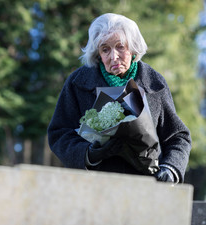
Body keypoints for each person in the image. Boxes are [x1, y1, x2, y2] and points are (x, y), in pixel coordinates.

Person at [47, 13, 191, 184]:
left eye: (120, 47)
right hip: (95, 188)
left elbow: (178, 136)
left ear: (133, 47)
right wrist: (88, 153)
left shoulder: (154, 82)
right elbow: (59, 133)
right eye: (105, 49)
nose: (114, 57)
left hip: (146, 189)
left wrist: (170, 168)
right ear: (98, 53)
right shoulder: (77, 82)